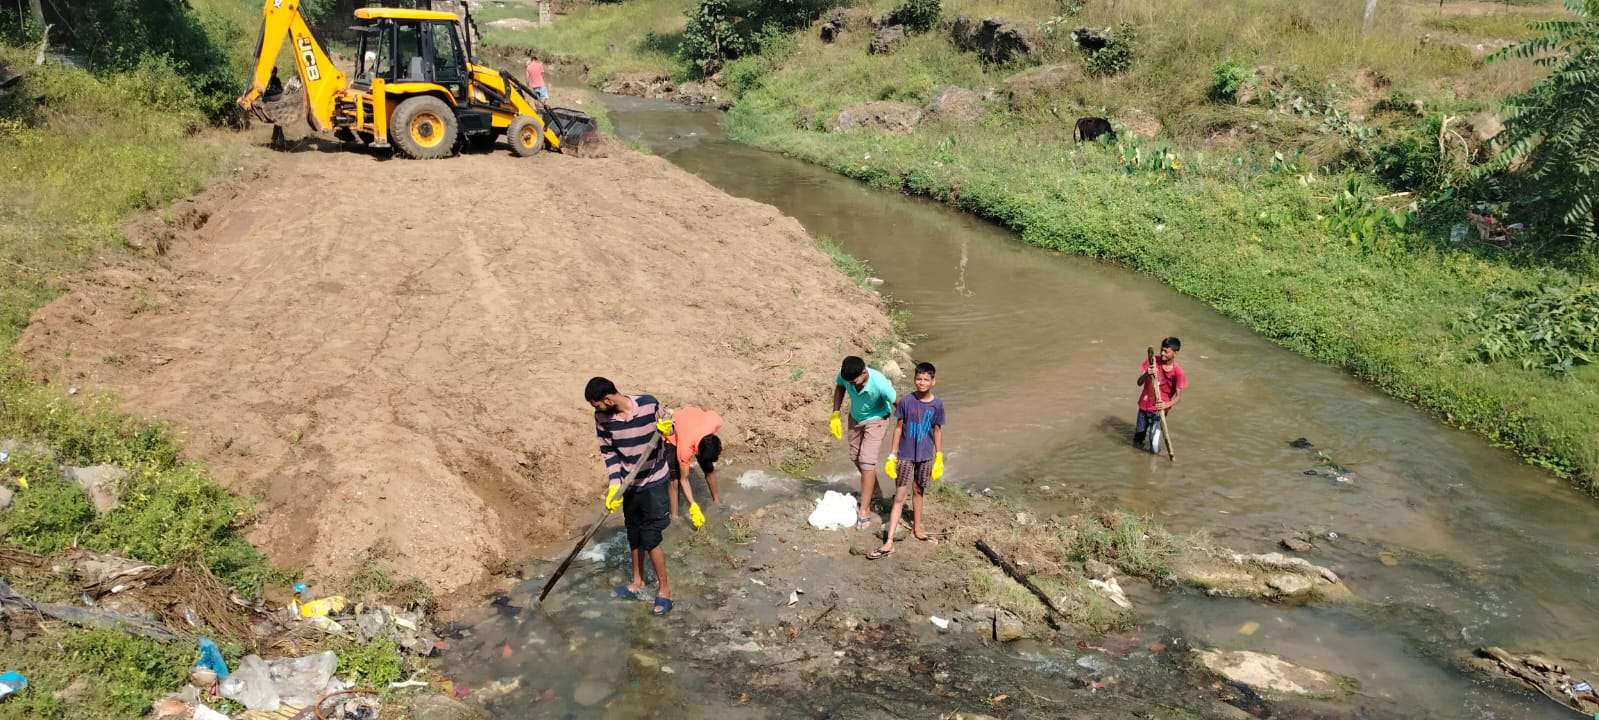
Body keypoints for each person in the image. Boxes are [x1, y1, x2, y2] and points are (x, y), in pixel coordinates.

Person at [586, 377, 676, 616]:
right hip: (629, 484)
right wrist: (615, 485)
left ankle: (665, 590)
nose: (596, 410)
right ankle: (637, 582)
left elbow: (670, 425)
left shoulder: (648, 404)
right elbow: (609, 453)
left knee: (651, 536)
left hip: (655, 481)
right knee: (633, 532)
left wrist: (667, 429)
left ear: (608, 399)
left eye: (597, 405)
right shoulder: (602, 418)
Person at [869, 362, 945, 559]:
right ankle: (889, 541)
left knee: (919, 491)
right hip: (904, 455)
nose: (921, 382)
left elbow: (937, 430)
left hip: (926, 456)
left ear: (933, 381)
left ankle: (917, 529)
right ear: (914, 379)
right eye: (918, 379)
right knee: (900, 496)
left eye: (926, 379)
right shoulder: (906, 402)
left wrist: (939, 456)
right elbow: (899, 428)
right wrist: (892, 454)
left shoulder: (938, 404)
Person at [830, 355, 896, 527]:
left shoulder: (880, 384)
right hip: (856, 417)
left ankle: (864, 510)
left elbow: (899, 403)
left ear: (864, 372)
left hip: (877, 419)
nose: (852, 384)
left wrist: (905, 431)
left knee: (867, 461)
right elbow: (840, 387)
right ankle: (875, 491)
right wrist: (835, 413)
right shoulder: (846, 375)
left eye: (855, 381)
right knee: (855, 457)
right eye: (849, 382)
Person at [661, 405, 723, 526]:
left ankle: (717, 501)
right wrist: (693, 505)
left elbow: (708, 411)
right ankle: (674, 516)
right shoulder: (684, 449)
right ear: (697, 452)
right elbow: (684, 480)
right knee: (674, 480)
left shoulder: (716, 421)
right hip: (675, 433)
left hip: (694, 421)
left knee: (709, 468)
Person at [1134, 337, 1187, 454]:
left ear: (1175, 353)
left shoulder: (1178, 372)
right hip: (1144, 406)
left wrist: (1166, 405)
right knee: (1137, 440)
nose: (1162, 354)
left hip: (1159, 410)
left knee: (1154, 446)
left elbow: (1178, 397)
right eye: (1161, 350)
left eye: (1166, 352)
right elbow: (1139, 383)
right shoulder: (1152, 361)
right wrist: (1147, 373)